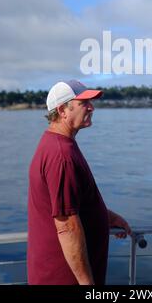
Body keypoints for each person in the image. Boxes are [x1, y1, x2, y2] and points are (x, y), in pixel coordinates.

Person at [27, 80, 132, 285]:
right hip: (64, 278)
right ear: (62, 110)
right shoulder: (61, 156)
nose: (92, 107)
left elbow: (70, 202)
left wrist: (106, 217)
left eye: (90, 101)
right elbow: (66, 225)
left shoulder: (57, 144)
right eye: (84, 103)